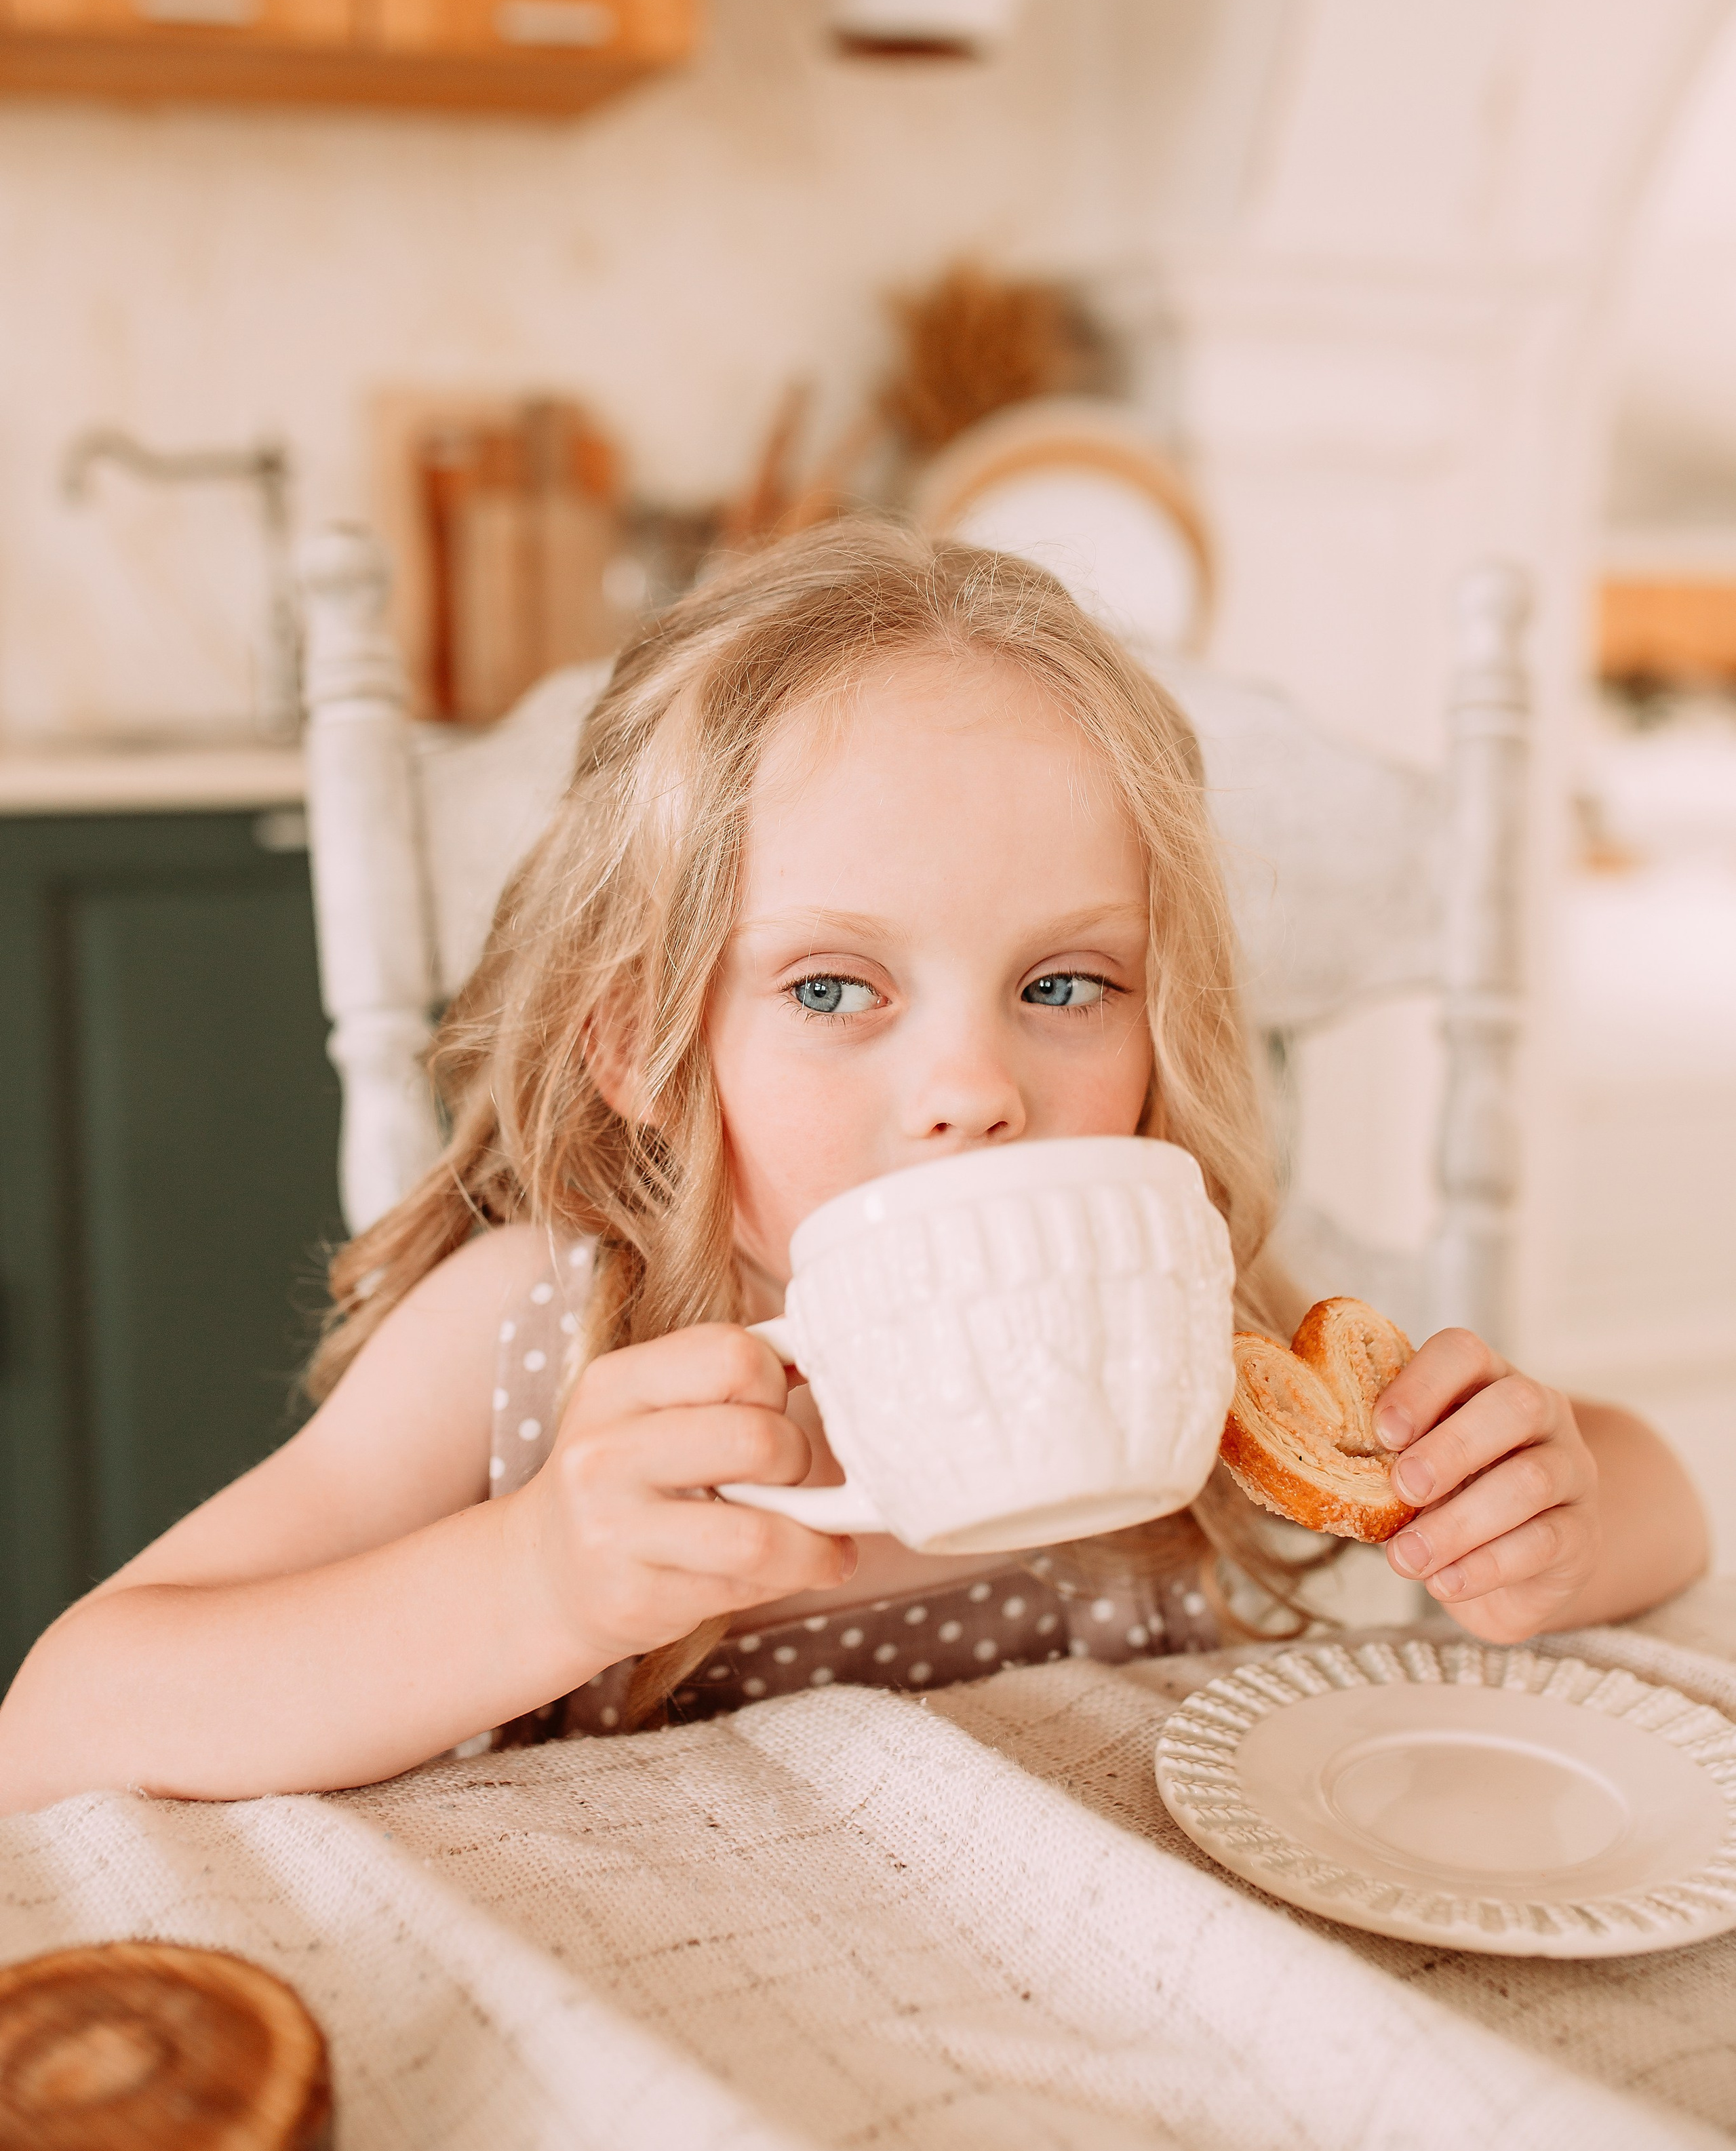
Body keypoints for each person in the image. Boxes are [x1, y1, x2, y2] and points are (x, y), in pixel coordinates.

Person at [0, 524, 1707, 1811]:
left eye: (1063, 986)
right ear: (643, 1045)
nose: (968, 1088)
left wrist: (1550, 1517)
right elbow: (66, 1720)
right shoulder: (541, 1339)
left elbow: (1656, 1507)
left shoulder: (1167, 1323)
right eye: (832, 990)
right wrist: (532, 1580)